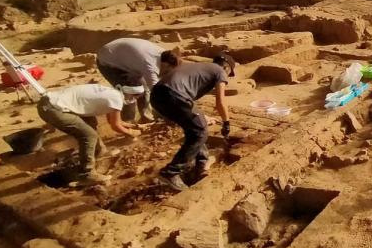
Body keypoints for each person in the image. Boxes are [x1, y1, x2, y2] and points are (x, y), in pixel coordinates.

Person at [151, 53, 235, 191]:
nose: (227, 77)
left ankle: (201, 165)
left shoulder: (199, 67)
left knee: (194, 129)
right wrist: (226, 122)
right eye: (229, 73)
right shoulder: (219, 71)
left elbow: (188, 102)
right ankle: (170, 173)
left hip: (157, 96)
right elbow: (220, 101)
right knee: (200, 132)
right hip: (174, 95)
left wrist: (203, 117)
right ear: (226, 67)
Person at [36, 83, 143, 185]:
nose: (135, 99)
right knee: (88, 135)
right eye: (136, 96)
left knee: (91, 122)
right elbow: (115, 126)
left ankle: (100, 151)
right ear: (130, 93)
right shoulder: (116, 99)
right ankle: (87, 174)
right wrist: (132, 133)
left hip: (50, 103)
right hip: (53, 109)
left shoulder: (111, 93)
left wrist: (134, 127)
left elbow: (113, 121)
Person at [96, 37, 165, 122]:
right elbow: (156, 91)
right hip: (108, 61)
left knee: (143, 87)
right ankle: (127, 121)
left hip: (124, 56)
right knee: (130, 90)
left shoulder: (165, 55)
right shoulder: (149, 66)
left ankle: (146, 117)